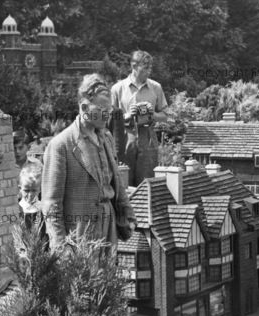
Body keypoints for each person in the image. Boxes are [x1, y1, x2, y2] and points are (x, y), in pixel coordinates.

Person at [41, 74, 135, 251]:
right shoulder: (61, 146)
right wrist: (61, 246)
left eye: (109, 109)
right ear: (84, 107)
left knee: (109, 278)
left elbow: (116, 183)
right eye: (102, 109)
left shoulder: (106, 138)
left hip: (109, 229)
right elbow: (51, 204)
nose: (108, 114)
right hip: (79, 236)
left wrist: (127, 216)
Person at [110, 50, 168, 186]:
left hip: (148, 137)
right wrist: (127, 115)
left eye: (150, 68)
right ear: (134, 66)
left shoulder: (156, 87)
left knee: (146, 184)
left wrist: (152, 114)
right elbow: (109, 118)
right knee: (124, 182)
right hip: (124, 138)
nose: (149, 71)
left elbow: (165, 115)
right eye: (145, 68)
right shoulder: (117, 89)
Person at [18, 158, 48, 247]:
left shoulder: (42, 208)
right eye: (26, 190)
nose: (30, 195)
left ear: (40, 189)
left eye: (34, 190)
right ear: (20, 189)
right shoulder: (18, 208)